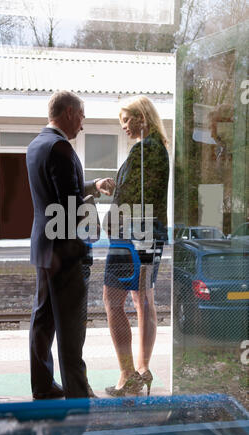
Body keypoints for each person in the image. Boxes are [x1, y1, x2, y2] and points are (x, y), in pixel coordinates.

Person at [26, 90, 115, 399]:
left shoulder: (37, 145)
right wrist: (92, 203)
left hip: (44, 248)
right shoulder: (62, 148)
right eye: (81, 116)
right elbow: (72, 207)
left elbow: (56, 190)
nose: (83, 123)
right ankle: (79, 394)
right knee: (72, 328)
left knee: (43, 320)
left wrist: (91, 184)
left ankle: (42, 385)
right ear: (67, 113)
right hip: (66, 252)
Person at [103, 95, 169, 397]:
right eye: (122, 121)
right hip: (150, 233)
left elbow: (127, 198)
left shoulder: (143, 149)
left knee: (113, 302)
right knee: (144, 301)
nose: (125, 126)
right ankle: (143, 369)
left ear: (143, 116)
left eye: (128, 119)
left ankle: (128, 373)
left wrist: (110, 218)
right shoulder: (159, 149)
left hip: (131, 234)